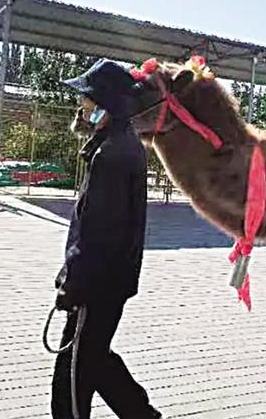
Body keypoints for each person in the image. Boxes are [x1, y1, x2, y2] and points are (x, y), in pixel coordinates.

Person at [52, 58, 162, 419]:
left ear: (105, 106)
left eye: (87, 100)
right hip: (109, 281)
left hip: (97, 285)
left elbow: (99, 232)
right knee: (95, 357)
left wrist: (74, 284)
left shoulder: (112, 155)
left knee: (72, 376)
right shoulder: (117, 145)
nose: (81, 107)